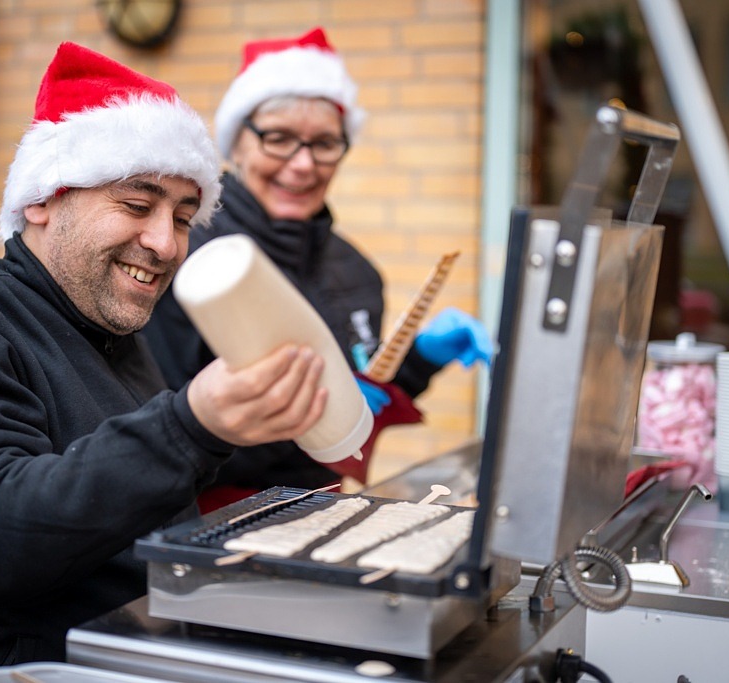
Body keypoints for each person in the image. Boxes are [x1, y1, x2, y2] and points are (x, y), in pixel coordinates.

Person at [0, 42, 329, 683]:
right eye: (136, 206)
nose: (164, 243)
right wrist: (190, 425)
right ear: (42, 198)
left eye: (183, 217)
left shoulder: (114, 329)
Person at [142, 27, 492, 511]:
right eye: (279, 138)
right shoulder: (191, 258)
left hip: (323, 509)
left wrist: (416, 361)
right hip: (212, 520)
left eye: (325, 143)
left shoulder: (358, 271)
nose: (303, 164)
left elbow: (362, 389)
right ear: (236, 144)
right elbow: (163, 423)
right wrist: (317, 418)